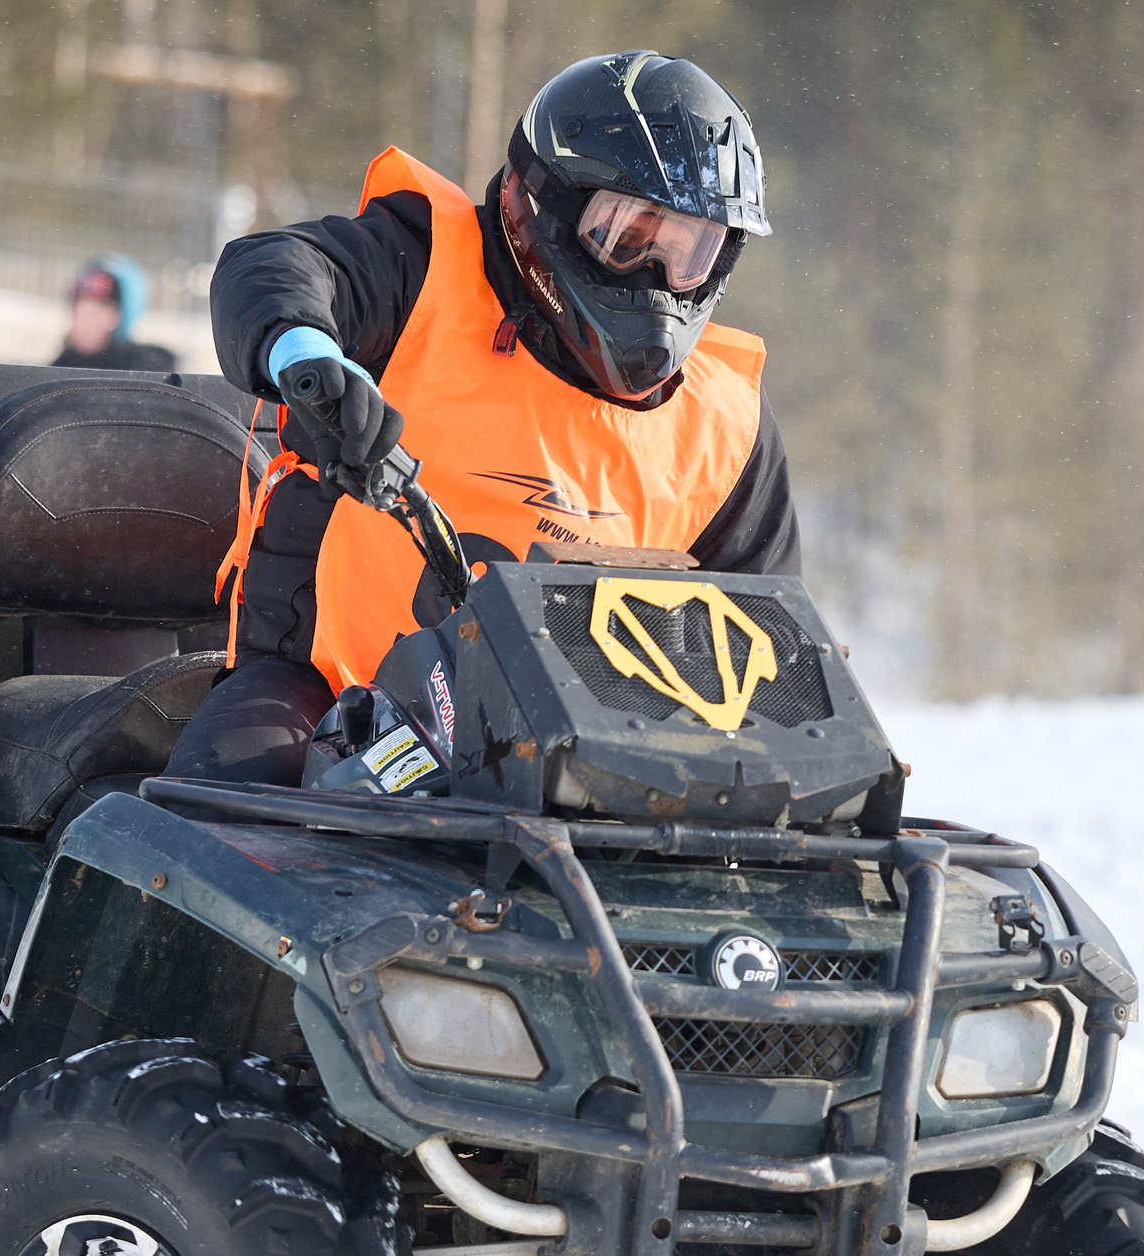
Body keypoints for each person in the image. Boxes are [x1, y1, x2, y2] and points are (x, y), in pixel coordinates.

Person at [166, 49, 795, 784]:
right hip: (330, 692)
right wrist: (308, 357)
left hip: (585, 750)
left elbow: (765, 653)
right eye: (628, 238)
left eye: (689, 254)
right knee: (222, 802)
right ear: (545, 207)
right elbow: (275, 265)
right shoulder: (419, 267)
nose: (659, 279)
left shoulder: (726, 425)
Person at [53, 255, 177, 370]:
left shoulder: (144, 371)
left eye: (97, 315)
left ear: (121, 317)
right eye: (81, 313)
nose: (86, 324)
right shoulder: (60, 368)